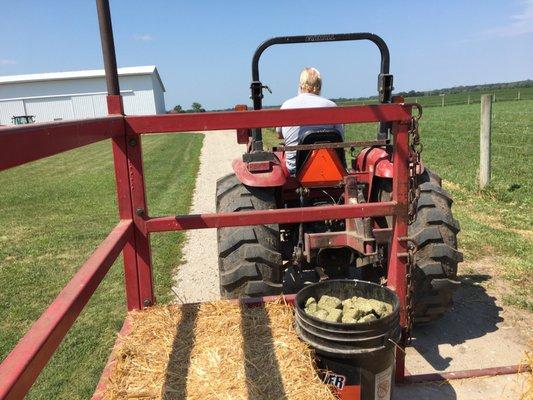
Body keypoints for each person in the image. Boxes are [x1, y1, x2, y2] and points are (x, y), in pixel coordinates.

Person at [276, 67, 344, 174]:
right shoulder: (331, 106)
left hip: (297, 168)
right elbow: (339, 137)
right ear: (319, 85)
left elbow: (279, 135)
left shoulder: (287, 105)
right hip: (330, 167)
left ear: (300, 84)